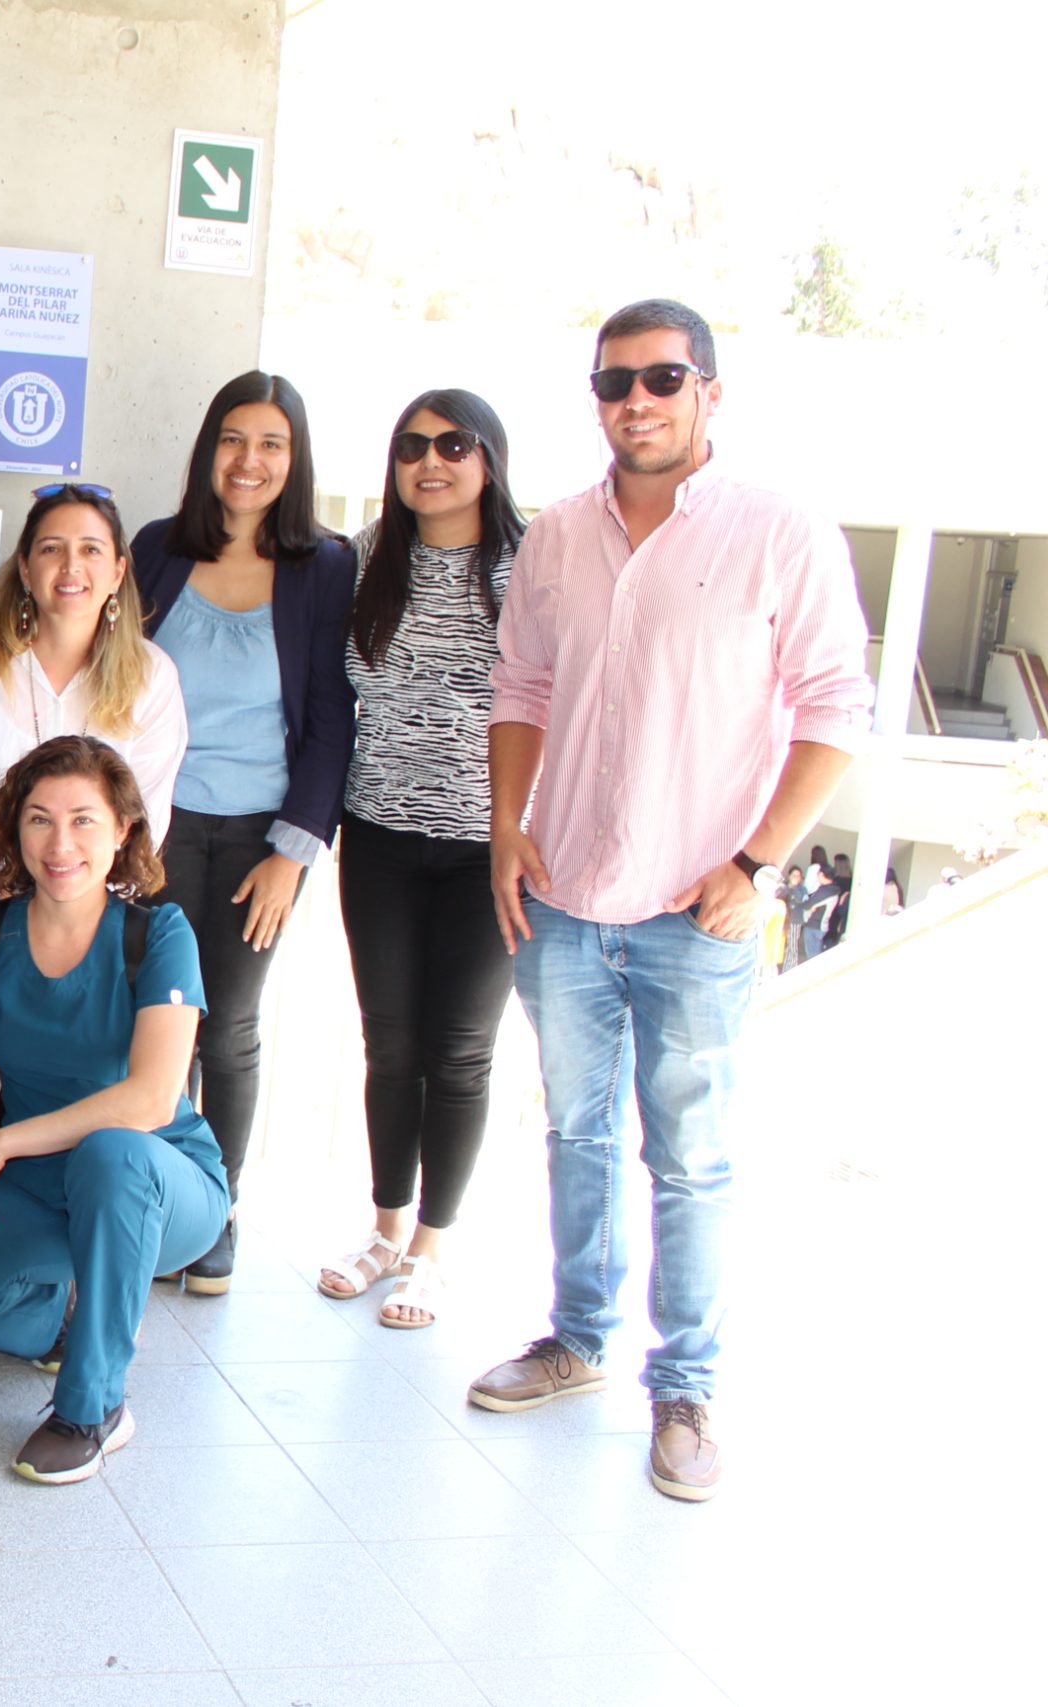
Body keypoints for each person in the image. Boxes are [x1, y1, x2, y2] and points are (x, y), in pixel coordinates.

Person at [473, 299, 872, 1502]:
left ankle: (685, 1387)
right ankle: (576, 1339)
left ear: (708, 392)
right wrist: (506, 828)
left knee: (690, 1158)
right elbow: (521, 685)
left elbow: (834, 708)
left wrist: (757, 865)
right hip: (563, 896)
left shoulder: (780, 531)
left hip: (701, 909)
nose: (634, 401)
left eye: (660, 378)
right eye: (613, 382)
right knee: (574, 1135)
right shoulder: (555, 534)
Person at [0, 736, 226, 1483]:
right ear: (15, 828)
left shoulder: (159, 934)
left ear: (124, 831)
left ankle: (92, 1405)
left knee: (112, 1151)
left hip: (157, 1181)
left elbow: (149, 1098)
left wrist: (2, 1143)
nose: (60, 844)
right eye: (39, 819)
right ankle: (77, 1307)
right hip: (43, 1185)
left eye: (84, 820)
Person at [131, 370, 355, 1293]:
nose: (249, 460)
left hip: (263, 834)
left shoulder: (325, 566)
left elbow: (334, 718)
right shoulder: (156, 547)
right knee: (158, 1021)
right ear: (208, 448)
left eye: (271, 443)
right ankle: (159, 1202)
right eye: (233, 438)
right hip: (157, 827)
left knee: (227, 1028)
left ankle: (217, 1210)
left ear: (295, 459)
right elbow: (113, 676)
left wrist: (291, 854)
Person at [317, 390, 526, 1330]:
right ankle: (386, 1227)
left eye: (452, 444)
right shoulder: (368, 558)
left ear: (489, 458)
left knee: (461, 1050)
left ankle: (433, 1249)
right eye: (411, 446)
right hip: (381, 836)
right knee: (390, 1040)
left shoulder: (529, 564)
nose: (429, 462)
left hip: (491, 846)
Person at [0, 482, 187, 859]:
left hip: (100, 893)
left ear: (118, 572)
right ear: (25, 569)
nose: (71, 566)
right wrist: (23, 893)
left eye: (90, 549)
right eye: (51, 548)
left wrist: (74, 893)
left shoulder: (153, 675)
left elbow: (142, 826)